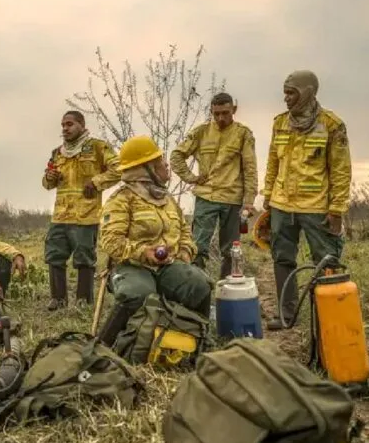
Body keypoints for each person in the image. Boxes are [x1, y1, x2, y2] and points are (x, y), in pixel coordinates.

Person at [96, 135, 213, 346]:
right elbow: (110, 242)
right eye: (159, 161)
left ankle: (199, 340)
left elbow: (185, 231)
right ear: (145, 168)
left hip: (168, 266)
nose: (166, 164)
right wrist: (144, 252)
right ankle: (103, 346)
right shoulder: (121, 200)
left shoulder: (166, 199)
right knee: (137, 293)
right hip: (132, 266)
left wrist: (186, 251)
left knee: (199, 284)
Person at [261, 70, 351, 330]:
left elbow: (341, 170)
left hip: (316, 207)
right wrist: (268, 196)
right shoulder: (279, 123)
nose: (286, 98)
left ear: (308, 92)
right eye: (285, 92)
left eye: (292, 93)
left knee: (326, 261)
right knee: (282, 258)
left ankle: (327, 316)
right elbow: (272, 162)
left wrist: (337, 209)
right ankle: (287, 314)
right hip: (281, 205)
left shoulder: (332, 124)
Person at [170, 92, 258, 278]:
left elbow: (250, 169)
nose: (220, 118)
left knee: (231, 250)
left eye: (225, 113)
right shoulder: (201, 132)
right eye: (216, 113)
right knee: (198, 246)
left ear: (233, 110)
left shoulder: (243, 134)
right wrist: (191, 177)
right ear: (211, 111)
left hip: (232, 198)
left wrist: (249, 201)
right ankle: (197, 289)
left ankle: (226, 289)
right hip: (206, 197)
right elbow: (176, 156)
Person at [42, 110, 121, 310]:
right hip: (61, 215)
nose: (65, 129)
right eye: (63, 125)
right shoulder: (57, 152)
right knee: (54, 255)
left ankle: (83, 301)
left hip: (86, 215)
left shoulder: (97, 147)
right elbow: (46, 183)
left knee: (84, 258)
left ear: (82, 125)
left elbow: (118, 169)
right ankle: (58, 300)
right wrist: (50, 177)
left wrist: (96, 182)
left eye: (69, 124)